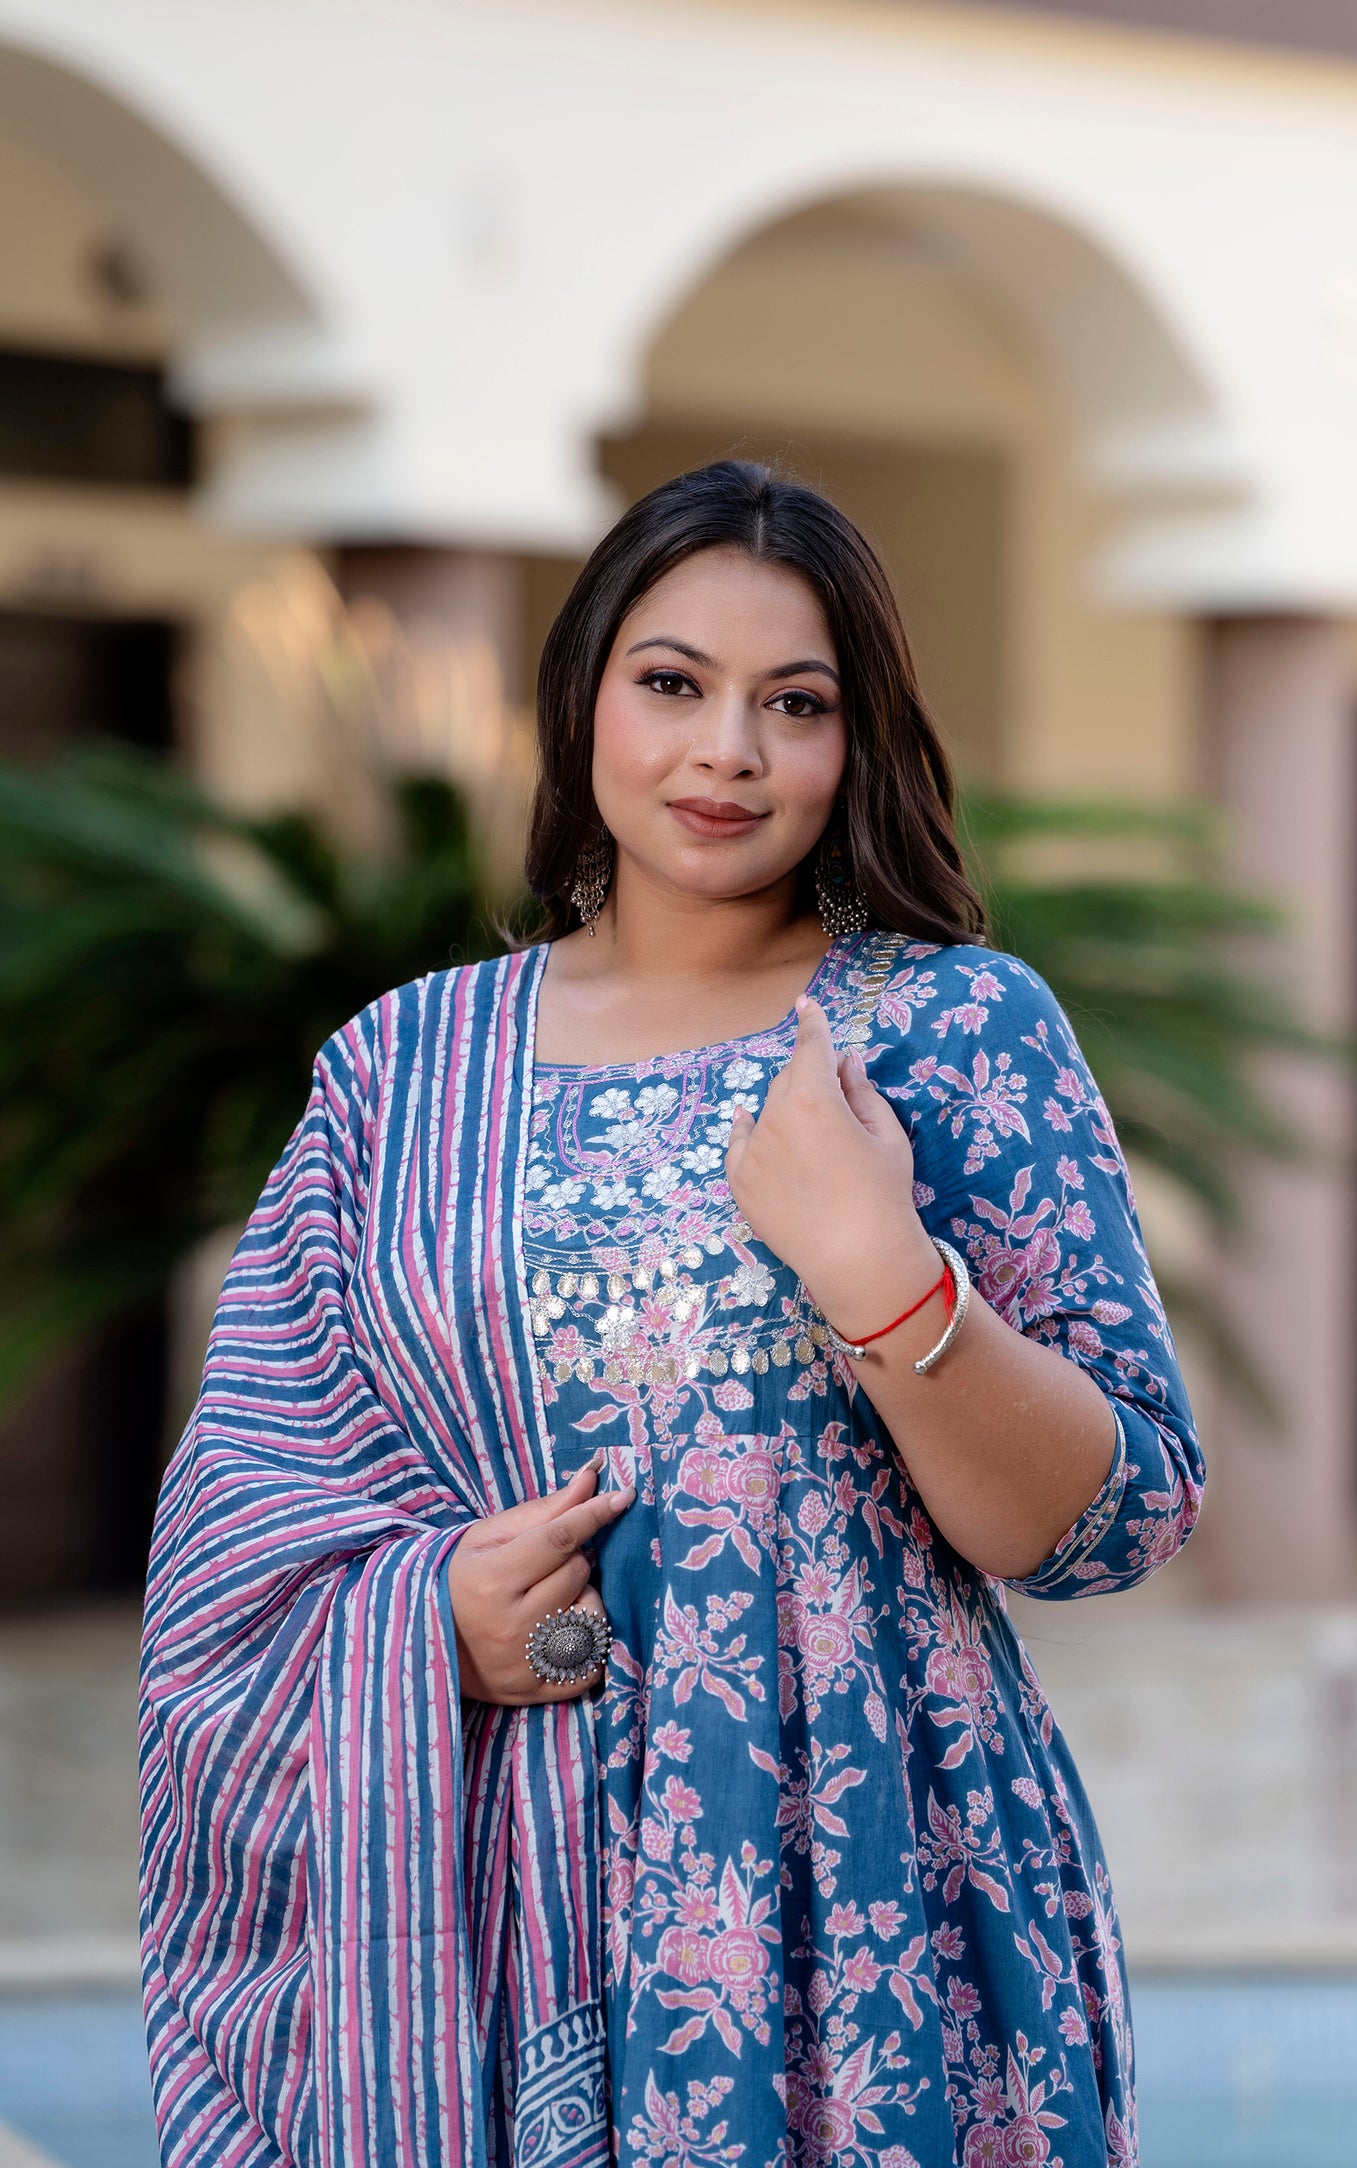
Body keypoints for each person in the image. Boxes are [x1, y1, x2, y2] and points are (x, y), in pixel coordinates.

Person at [139, 460, 1202, 2168]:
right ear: (580, 705)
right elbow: (240, 1520)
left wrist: (882, 1273)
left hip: (878, 1893)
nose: (729, 751)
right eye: (672, 684)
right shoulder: (404, 1069)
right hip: (491, 1906)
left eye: (797, 703)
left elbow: (1112, 1518)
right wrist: (433, 1627)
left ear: (858, 745)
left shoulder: (949, 1030)